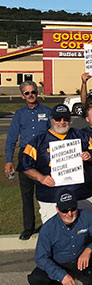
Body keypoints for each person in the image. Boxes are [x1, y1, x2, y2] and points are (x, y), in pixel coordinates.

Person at [20, 104, 92, 223]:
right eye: (58, 119)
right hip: (51, 197)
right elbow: (25, 166)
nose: (62, 122)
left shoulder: (82, 136)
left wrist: (90, 157)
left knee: (87, 232)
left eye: (65, 119)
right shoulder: (38, 141)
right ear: (51, 119)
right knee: (54, 236)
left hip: (82, 195)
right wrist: (41, 178)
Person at [28, 189, 92, 285]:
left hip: (80, 260)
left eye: (73, 209)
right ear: (57, 209)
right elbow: (41, 257)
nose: (69, 214)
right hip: (60, 263)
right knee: (35, 279)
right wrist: (61, 275)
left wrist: (88, 250)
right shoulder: (48, 228)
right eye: (64, 210)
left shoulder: (86, 216)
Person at [5, 80, 52, 240]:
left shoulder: (47, 111)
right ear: (22, 95)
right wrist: (9, 160)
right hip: (25, 157)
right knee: (26, 194)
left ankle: (50, 227)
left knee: (47, 191)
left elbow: (54, 134)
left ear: (37, 93)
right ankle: (28, 228)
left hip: (43, 157)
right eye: (27, 93)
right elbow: (11, 138)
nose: (31, 95)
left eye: (33, 92)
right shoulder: (19, 114)